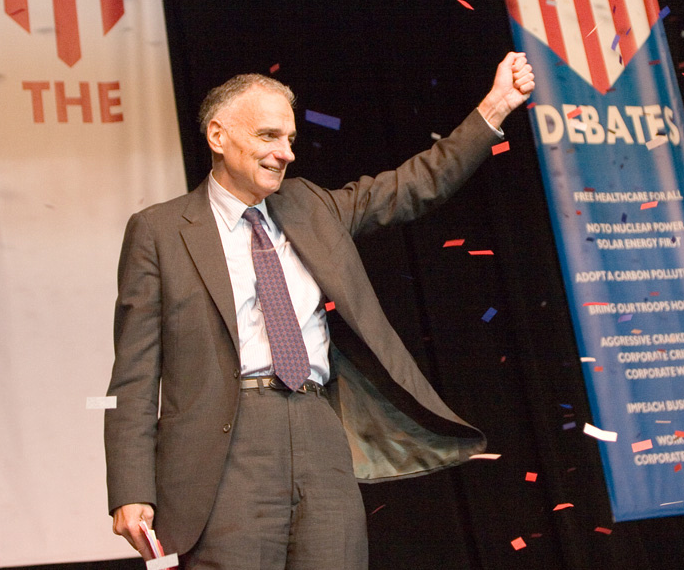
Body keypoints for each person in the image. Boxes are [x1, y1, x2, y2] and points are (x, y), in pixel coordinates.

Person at [105, 52, 535, 569]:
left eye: (289, 139)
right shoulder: (159, 231)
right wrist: (132, 489)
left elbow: (414, 185)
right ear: (218, 137)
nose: (285, 153)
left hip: (319, 431)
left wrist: (495, 108)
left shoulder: (312, 206)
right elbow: (133, 375)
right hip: (225, 450)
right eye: (268, 136)